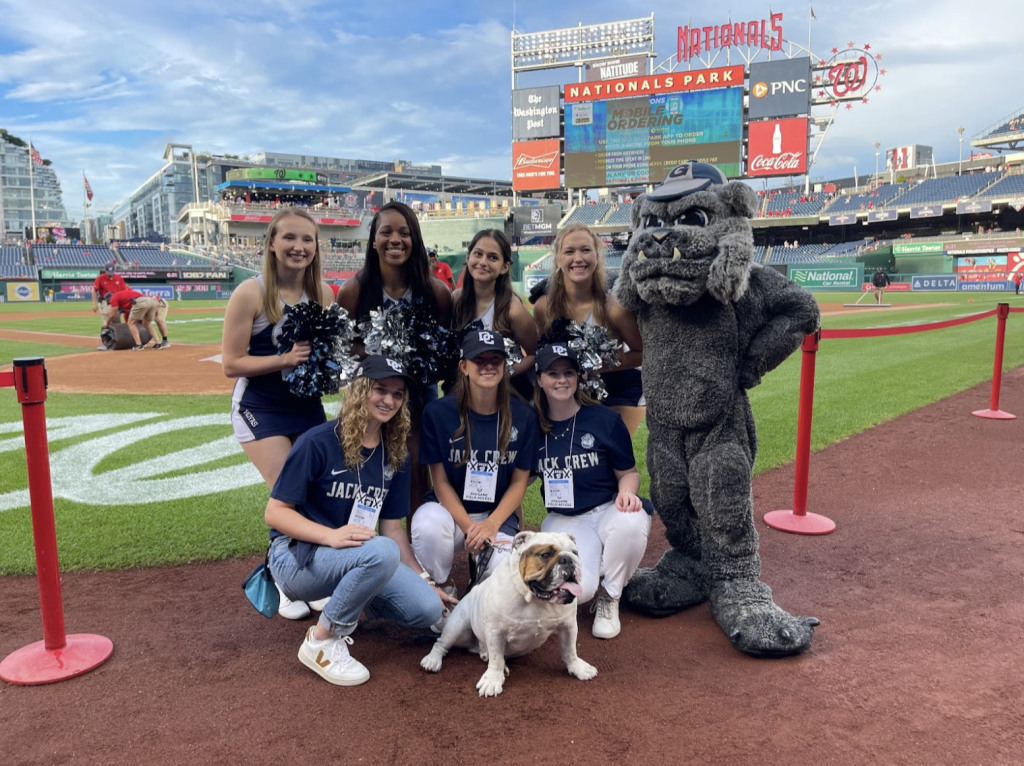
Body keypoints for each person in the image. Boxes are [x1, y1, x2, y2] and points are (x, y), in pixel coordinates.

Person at [265, 355, 457, 686]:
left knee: (427, 610)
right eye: (380, 389)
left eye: (398, 394)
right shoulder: (319, 441)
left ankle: (358, 596)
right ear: (360, 390)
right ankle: (321, 641)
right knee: (380, 552)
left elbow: (393, 530)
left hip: (357, 555)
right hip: (297, 556)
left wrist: (425, 579)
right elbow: (275, 512)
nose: (390, 400)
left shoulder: (394, 454)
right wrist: (330, 536)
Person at [222, 207, 335, 619]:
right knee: (287, 492)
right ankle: (282, 578)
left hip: (305, 405)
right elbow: (231, 364)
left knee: (317, 491)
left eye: (307, 240)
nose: (298, 247)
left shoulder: (324, 294)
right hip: (260, 407)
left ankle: (312, 574)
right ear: (271, 243)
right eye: (289, 238)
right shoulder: (250, 293)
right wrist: (284, 359)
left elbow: (323, 355)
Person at [411, 330, 539, 614]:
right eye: (478, 359)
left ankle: (479, 586)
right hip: (451, 514)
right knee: (426, 525)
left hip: (497, 518)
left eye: (496, 359)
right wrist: (471, 528)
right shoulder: (438, 413)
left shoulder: (523, 415)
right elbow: (440, 480)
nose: (488, 366)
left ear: (506, 365)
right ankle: (443, 591)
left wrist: (491, 525)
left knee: (507, 582)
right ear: (463, 366)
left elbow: (520, 482)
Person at [337, 201, 453, 513]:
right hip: (369, 391)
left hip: (417, 393)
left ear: (415, 239)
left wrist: (413, 358)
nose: (395, 239)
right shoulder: (353, 291)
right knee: (361, 464)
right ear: (373, 240)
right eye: (386, 232)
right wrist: (383, 353)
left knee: (414, 464)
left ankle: (416, 547)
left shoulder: (435, 292)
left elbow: (443, 350)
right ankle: (360, 541)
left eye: (404, 232)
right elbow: (345, 346)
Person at [532, 343, 651, 639]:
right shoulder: (532, 426)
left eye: (568, 373)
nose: (561, 380)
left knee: (630, 521)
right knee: (578, 593)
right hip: (566, 519)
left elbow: (628, 473)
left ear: (578, 377)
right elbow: (518, 478)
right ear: (539, 379)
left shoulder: (603, 419)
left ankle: (610, 596)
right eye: (553, 373)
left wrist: (627, 492)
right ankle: (596, 571)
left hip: (608, 510)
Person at [532, 222, 646, 436]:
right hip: (571, 388)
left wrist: (598, 366)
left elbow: (643, 354)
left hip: (620, 385)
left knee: (609, 452)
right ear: (557, 259)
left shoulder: (614, 306)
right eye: (569, 251)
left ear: (598, 256)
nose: (578, 258)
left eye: (586, 250)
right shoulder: (544, 308)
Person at [450, 229, 539, 399]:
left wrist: (501, 372)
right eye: (478, 254)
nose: (483, 262)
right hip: (468, 394)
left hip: (510, 393)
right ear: (468, 258)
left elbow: (536, 353)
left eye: (493, 257)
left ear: (505, 267)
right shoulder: (456, 300)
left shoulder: (512, 308)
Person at [104, 288, 170, 350]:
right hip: (153, 302)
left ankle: (138, 345)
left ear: (109, 298)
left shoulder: (114, 298)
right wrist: (156, 314)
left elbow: (113, 313)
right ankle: (158, 343)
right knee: (147, 324)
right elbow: (148, 301)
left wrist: (107, 322)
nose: (110, 303)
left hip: (144, 302)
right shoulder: (124, 295)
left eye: (109, 302)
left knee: (131, 323)